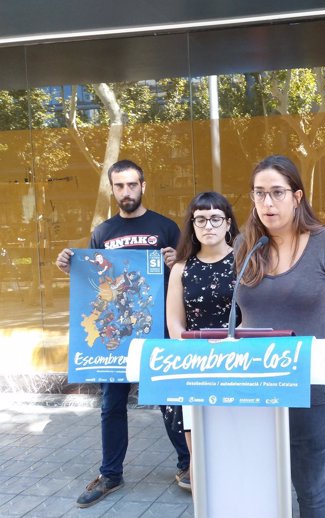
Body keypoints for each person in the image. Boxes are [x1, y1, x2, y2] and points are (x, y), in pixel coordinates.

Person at [55, 159, 191, 507]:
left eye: (132, 185)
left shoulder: (165, 226)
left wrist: (178, 260)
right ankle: (111, 473)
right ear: (112, 189)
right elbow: (96, 282)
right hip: (115, 336)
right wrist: (70, 265)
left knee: (169, 400)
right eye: (120, 186)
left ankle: (188, 465)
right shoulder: (102, 232)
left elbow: (186, 273)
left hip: (155, 330)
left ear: (143, 185)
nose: (126, 191)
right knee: (111, 404)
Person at [234, 155, 325, 518]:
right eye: (259, 194)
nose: (267, 203)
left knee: (310, 487)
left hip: (312, 385)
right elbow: (245, 311)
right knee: (260, 482)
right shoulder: (246, 243)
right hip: (255, 381)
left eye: (277, 193)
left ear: (297, 196)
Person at [165, 191, 240, 491]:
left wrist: (228, 347)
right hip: (194, 363)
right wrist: (191, 353)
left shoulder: (244, 261)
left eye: (215, 218)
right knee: (198, 449)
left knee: (234, 441)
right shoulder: (181, 268)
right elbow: (174, 321)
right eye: (200, 219)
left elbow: (253, 313)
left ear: (228, 223)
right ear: (192, 224)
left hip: (235, 360)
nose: (208, 225)